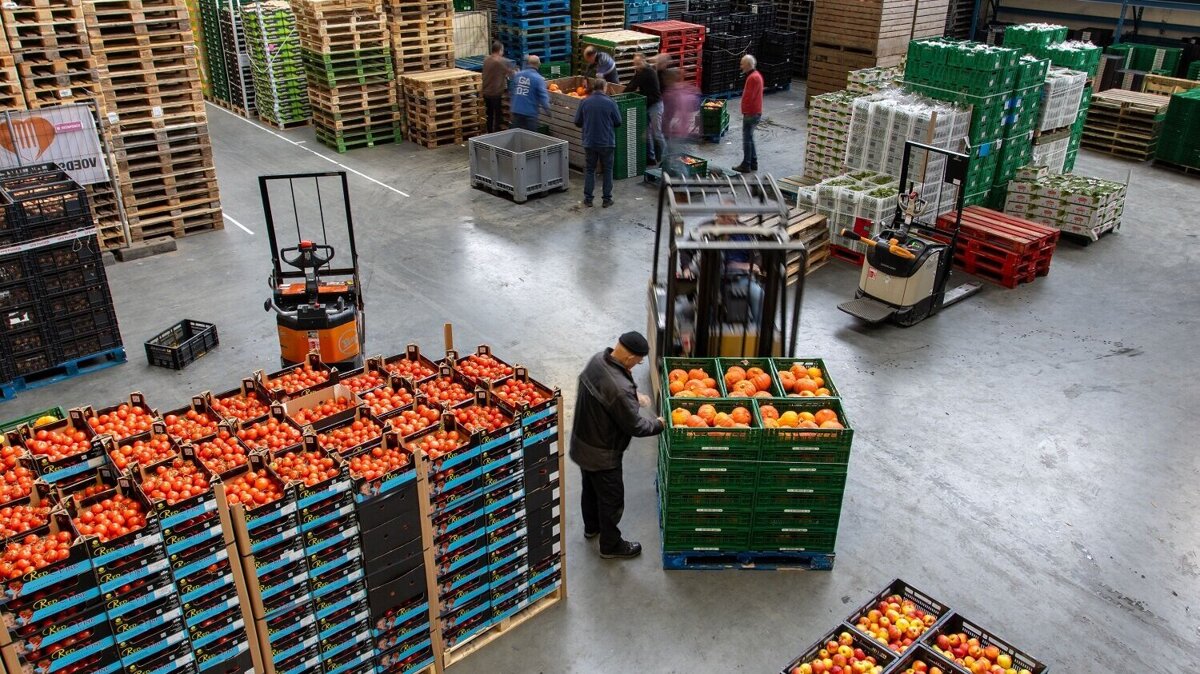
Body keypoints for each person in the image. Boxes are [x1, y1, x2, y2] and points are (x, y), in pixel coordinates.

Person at [569, 332, 665, 559]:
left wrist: (634, 396)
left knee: (590, 490)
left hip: (583, 443)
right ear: (631, 358)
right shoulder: (619, 387)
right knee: (611, 499)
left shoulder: (597, 361)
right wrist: (659, 424)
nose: (637, 365)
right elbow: (637, 427)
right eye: (639, 361)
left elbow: (611, 396)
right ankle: (610, 546)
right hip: (603, 455)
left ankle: (591, 528)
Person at [573, 78, 622, 208]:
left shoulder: (584, 102)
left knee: (590, 170)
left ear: (594, 88)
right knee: (607, 170)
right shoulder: (611, 102)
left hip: (590, 142)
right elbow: (618, 122)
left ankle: (588, 199)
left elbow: (577, 122)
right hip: (607, 142)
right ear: (604, 88)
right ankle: (607, 199)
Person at [624, 53, 663, 166]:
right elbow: (632, 83)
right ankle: (650, 158)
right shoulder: (640, 71)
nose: (636, 66)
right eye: (635, 64)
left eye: (638, 63)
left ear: (644, 61)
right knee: (647, 132)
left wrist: (619, 96)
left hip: (655, 105)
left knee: (657, 133)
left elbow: (632, 86)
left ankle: (665, 158)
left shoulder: (647, 72)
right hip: (647, 104)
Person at [661, 68, 699, 175]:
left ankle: (684, 188)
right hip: (685, 131)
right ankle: (666, 182)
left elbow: (668, 115)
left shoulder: (670, 95)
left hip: (675, 133)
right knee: (668, 157)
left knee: (678, 162)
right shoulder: (685, 90)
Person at [734, 54, 763, 173]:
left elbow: (749, 97)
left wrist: (745, 111)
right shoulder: (756, 76)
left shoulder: (752, 78)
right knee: (750, 138)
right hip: (755, 112)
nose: (741, 66)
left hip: (751, 113)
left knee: (746, 139)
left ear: (747, 65)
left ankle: (746, 164)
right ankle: (753, 162)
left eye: (742, 64)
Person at [511, 55, 549, 132]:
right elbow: (543, 97)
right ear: (538, 64)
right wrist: (548, 110)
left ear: (528, 63)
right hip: (530, 114)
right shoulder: (538, 79)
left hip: (516, 111)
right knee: (531, 138)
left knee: (516, 136)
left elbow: (512, 90)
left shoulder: (518, 75)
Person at [482, 41, 509, 133]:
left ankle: (489, 132)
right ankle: (496, 134)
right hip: (495, 93)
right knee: (497, 115)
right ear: (500, 50)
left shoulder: (486, 59)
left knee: (489, 114)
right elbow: (511, 72)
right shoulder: (501, 61)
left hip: (486, 91)